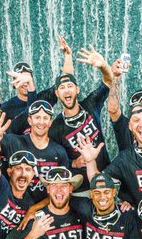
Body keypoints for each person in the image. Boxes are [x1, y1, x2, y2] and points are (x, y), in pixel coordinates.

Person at [0, 91, 70, 202]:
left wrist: (35, 209)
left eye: (45, 118)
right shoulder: (14, 142)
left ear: (50, 122)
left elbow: (63, 189)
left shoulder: (59, 152)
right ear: (29, 120)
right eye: (37, 118)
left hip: (44, 211)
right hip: (14, 206)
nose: (41, 122)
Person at [49, 45, 114, 189]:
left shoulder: (91, 104)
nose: (67, 90)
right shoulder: (55, 128)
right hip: (83, 188)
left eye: (70, 86)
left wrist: (103, 65)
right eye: (62, 87)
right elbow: (54, 160)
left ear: (77, 89)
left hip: (107, 178)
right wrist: (72, 164)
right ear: (57, 94)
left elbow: (109, 81)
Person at [1, 34, 74, 134]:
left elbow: (65, 80)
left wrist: (68, 55)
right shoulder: (6, 108)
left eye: (27, 78)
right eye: (20, 78)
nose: (25, 82)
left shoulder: (43, 98)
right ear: (14, 83)